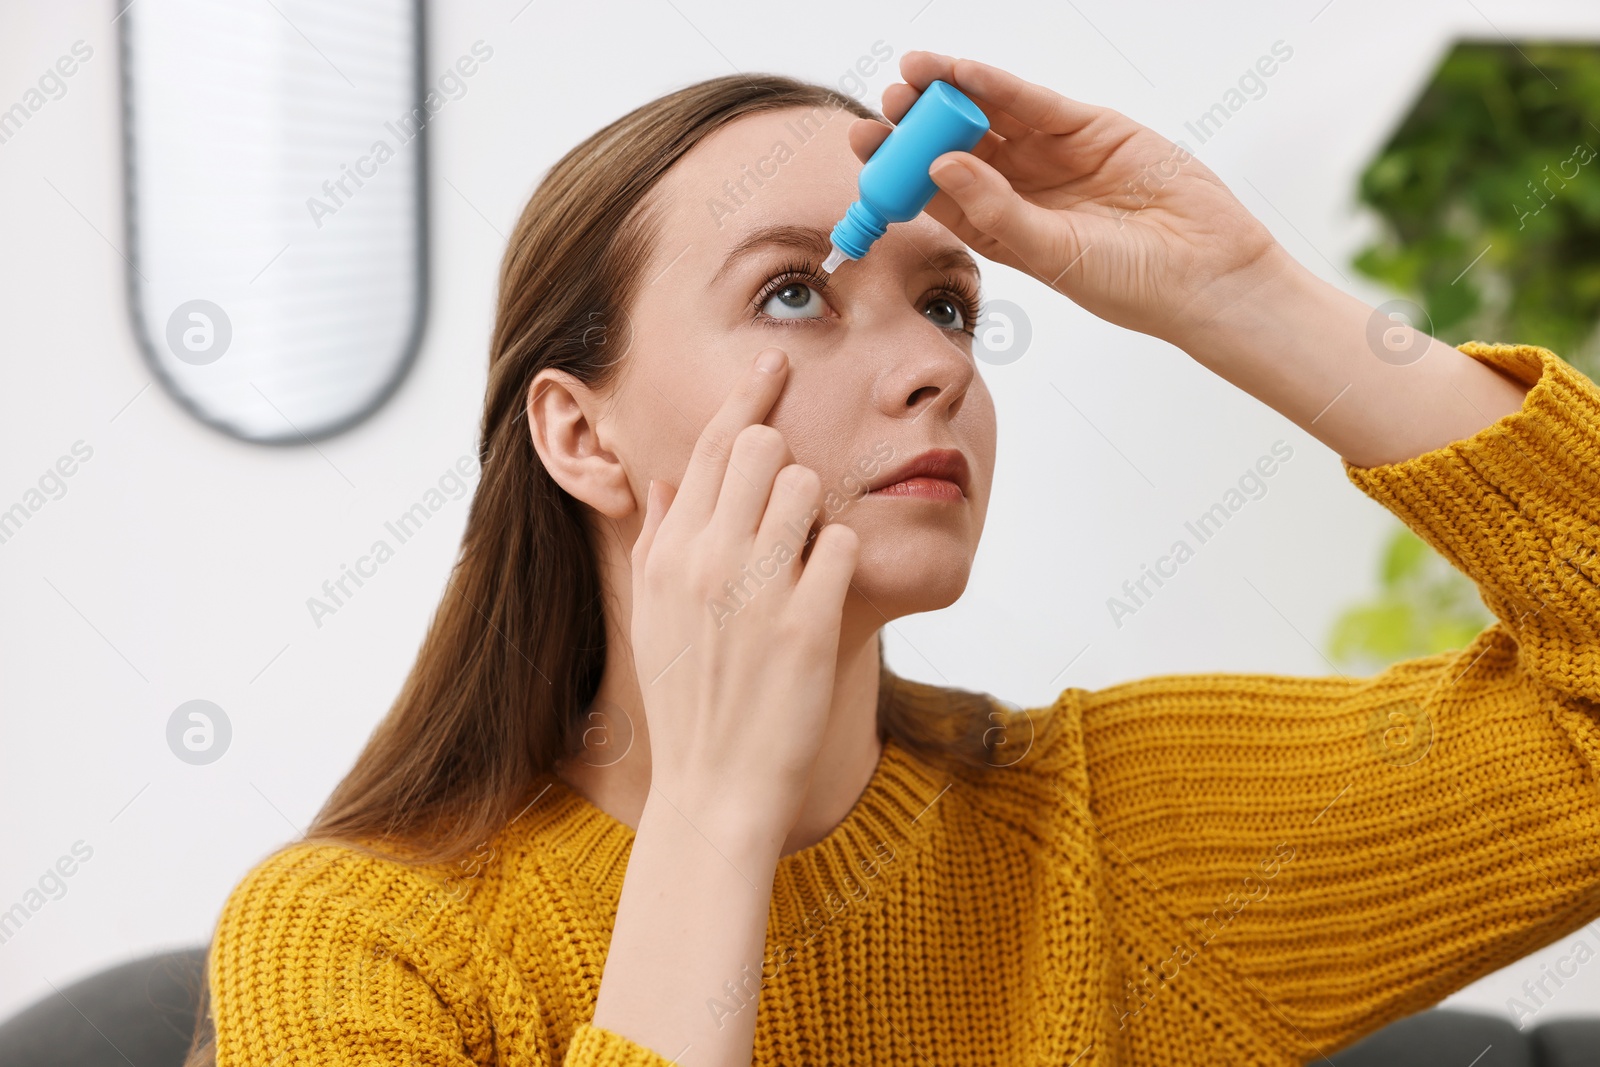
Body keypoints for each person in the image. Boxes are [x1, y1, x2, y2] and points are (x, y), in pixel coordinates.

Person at [188, 52, 1600, 1066]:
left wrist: (1244, 297)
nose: (931, 361)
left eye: (949, 305)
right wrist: (713, 825)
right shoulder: (361, 947)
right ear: (581, 436)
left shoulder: (1104, 847)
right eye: (792, 292)